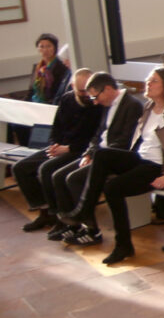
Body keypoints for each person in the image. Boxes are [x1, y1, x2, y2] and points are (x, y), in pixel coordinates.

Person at [59, 67, 164, 265]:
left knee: (113, 188)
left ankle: (122, 244)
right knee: (103, 155)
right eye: (148, 80)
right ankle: (85, 209)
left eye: (154, 81)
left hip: (160, 167)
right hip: (142, 160)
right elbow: (141, 143)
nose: (148, 83)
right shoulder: (148, 107)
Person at [47, 73, 144, 243]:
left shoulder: (132, 105)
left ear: (107, 89)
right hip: (99, 155)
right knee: (58, 176)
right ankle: (74, 225)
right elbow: (97, 135)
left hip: (114, 159)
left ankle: (92, 231)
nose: (94, 102)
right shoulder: (107, 104)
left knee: (74, 179)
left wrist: (98, 156)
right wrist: (89, 153)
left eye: (95, 96)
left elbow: (125, 141)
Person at [18, 68, 102, 234]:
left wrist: (68, 148)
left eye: (88, 90)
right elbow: (56, 127)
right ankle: (45, 211)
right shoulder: (67, 99)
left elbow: (93, 137)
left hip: (79, 150)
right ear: (72, 86)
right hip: (61, 147)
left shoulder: (96, 105)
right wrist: (53, 145)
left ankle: (59, 217)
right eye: (81, 90)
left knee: (47, 169)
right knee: (21, 168)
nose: (86, 94)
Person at [27, 32, 70, 105]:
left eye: (48, 46)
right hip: (35, 104)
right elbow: (31, 91)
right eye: (41, 46)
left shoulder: (62, 67)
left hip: (52, 105)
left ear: (55, 48)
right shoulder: (37, 67)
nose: (45, 50)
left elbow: (60, 92)